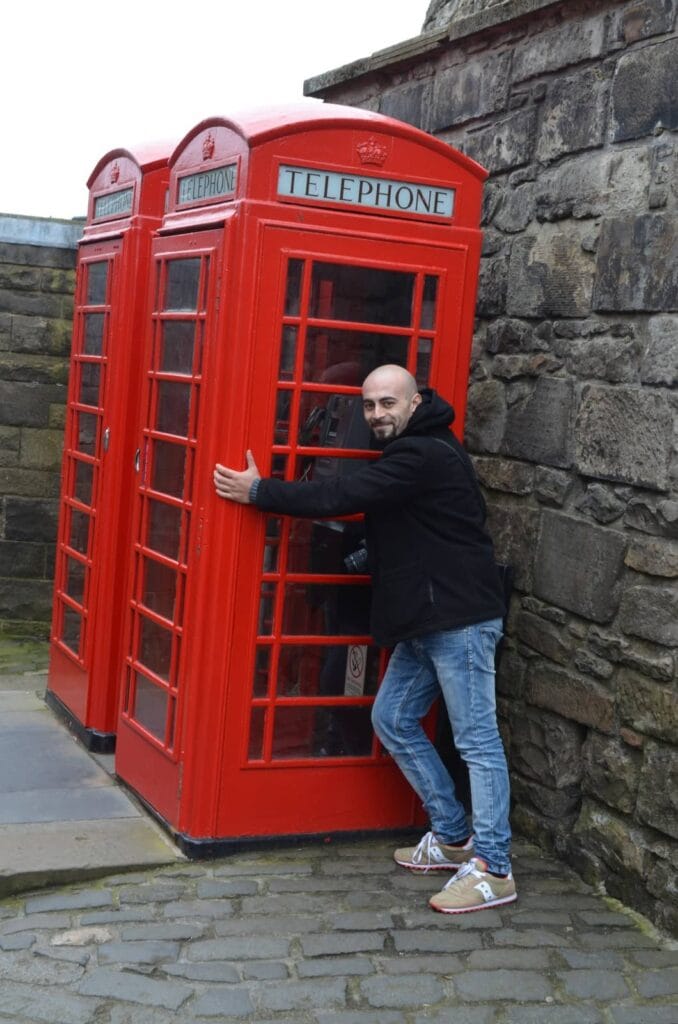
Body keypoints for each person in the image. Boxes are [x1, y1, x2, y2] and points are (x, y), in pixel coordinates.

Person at [213, 364, 516, 914]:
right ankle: (452, 834)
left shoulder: (421, 453)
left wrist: (260, 490)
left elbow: (345, 492)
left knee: (477, 740)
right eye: (369, 405)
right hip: (426, 616)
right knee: (392, 719)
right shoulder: (416, 450)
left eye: (387, 403)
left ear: (415, 401)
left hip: (458, 618)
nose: (377, 413)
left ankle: (495, 865)